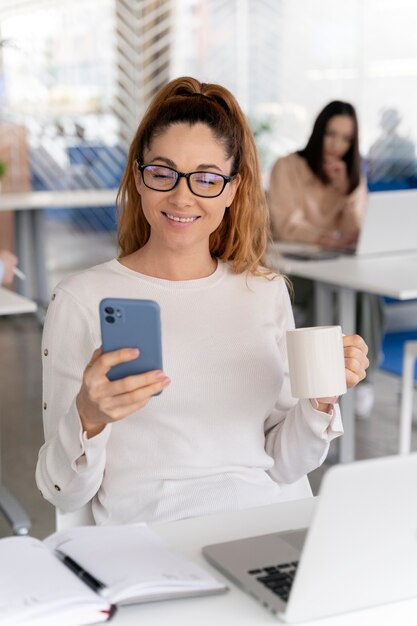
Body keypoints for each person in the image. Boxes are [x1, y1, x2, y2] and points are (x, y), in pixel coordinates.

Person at [36, 78, 369, 526]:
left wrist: (321, 400)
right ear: (138, 177)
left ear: (232, 190)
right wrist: (89, 417)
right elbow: (64, 491)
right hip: (151, 545)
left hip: (263, 529)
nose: (182, 196)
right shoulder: (81, 300)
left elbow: (288, 464)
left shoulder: (265, 292)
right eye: (162, 172)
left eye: (207, 179)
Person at [268, 100, 383, 418]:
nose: (337, 145)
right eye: (332, 134)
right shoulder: (287, 166)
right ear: (319, 132)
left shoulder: (350, 176)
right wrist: (329, 237)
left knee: (366, 291)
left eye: (346, 139)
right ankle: (319, 383)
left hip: (338, 265)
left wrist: (347, 190)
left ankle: (364, 379)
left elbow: (360, 229)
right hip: (298, 269)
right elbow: (287, 225)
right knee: (326, 291)